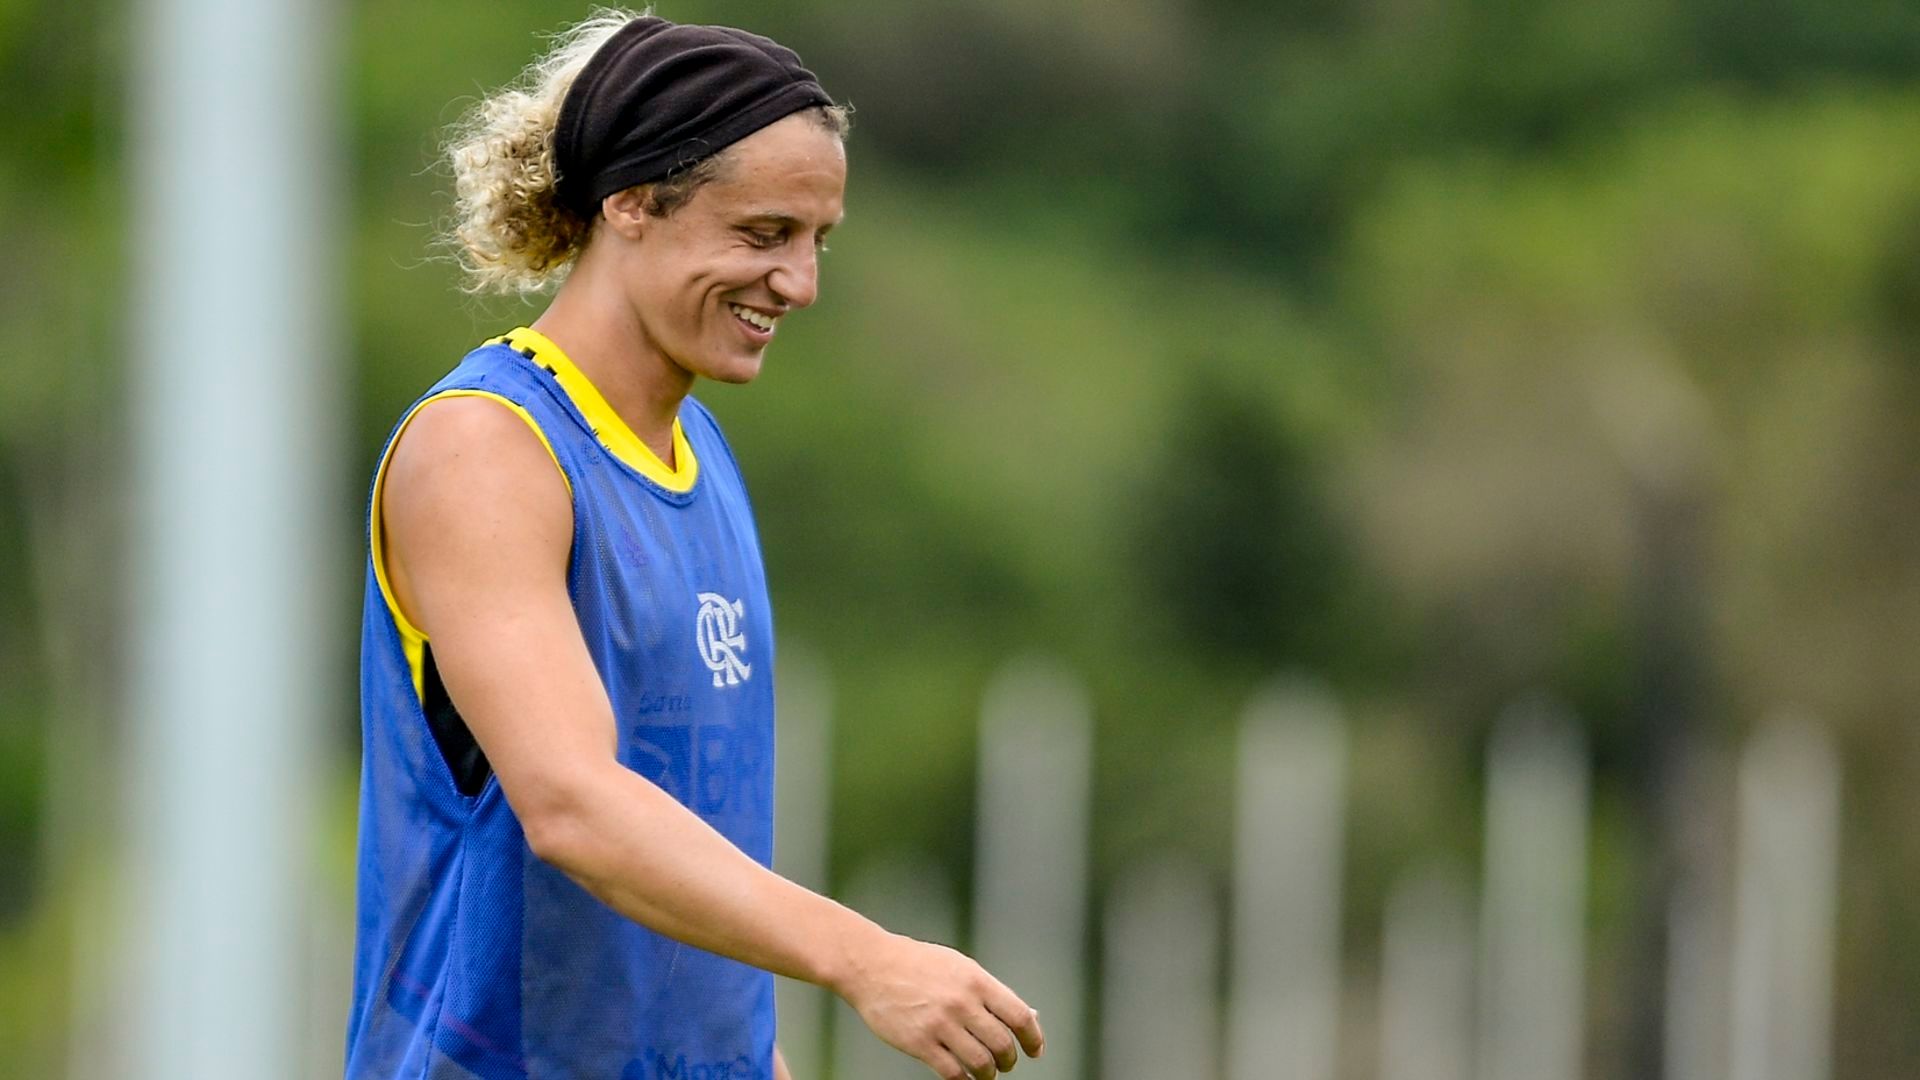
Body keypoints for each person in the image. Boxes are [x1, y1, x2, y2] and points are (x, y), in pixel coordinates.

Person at [345, 11, 1045, 1080]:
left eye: (818, 241)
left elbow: (690, 845)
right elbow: (573, 805)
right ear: (628, 202)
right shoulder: (488, 447)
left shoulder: (698, 454)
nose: (800, 284)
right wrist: (867, 959)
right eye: (763, 235)